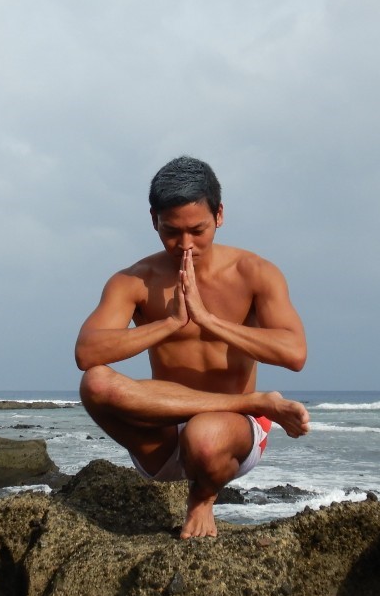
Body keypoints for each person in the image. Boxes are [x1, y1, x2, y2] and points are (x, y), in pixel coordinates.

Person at [75, 156, 311, 539]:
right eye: (171, 232)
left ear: (219, 215)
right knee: (95, 383)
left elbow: (294, 352)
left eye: (197, 230)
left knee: (204, 435)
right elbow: (87, 352)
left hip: (228, 435)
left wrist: (209, 320)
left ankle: (202, 498)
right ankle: (253, 401)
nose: (185, 245)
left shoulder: (254, 273)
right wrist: (169, 324)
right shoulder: (134, 280)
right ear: (154, 220)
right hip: (164, 431)